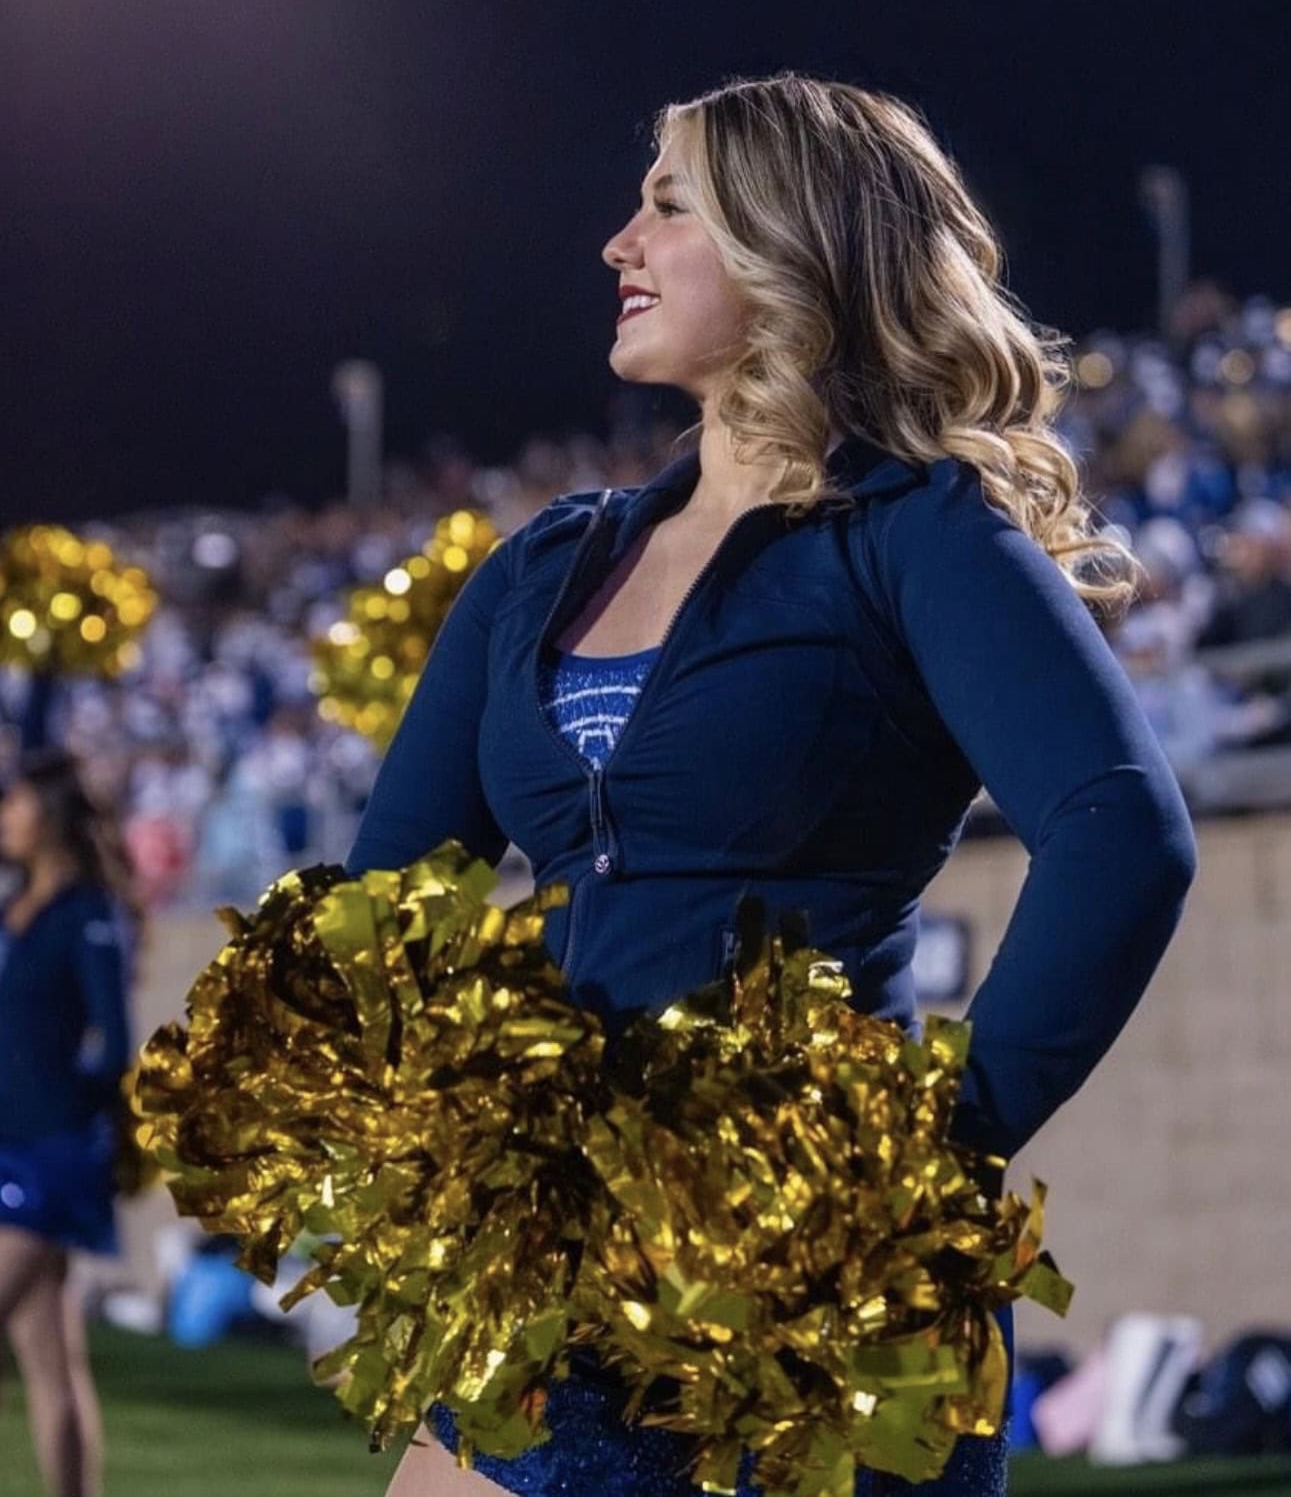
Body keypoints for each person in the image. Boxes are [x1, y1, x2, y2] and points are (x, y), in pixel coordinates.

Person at [347, 72, 1198, 1497]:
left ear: (786, 245)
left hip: (805, 1300)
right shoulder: (540, 569)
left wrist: (925, 1146)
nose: (618, 243)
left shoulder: (911, 527)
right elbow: (376, 903)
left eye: (667, 206)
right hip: (557, 1269)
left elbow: (1118, 831)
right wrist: (442, 1138)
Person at [0, 747, 140, 1497]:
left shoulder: (88, 912)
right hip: (8, 1146)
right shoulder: (16, 907)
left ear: (49, 813)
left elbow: (115, 1043)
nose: (3, 817)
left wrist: (76, 1125)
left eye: (13, 802)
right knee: (49, 1357)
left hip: (50, 1158)